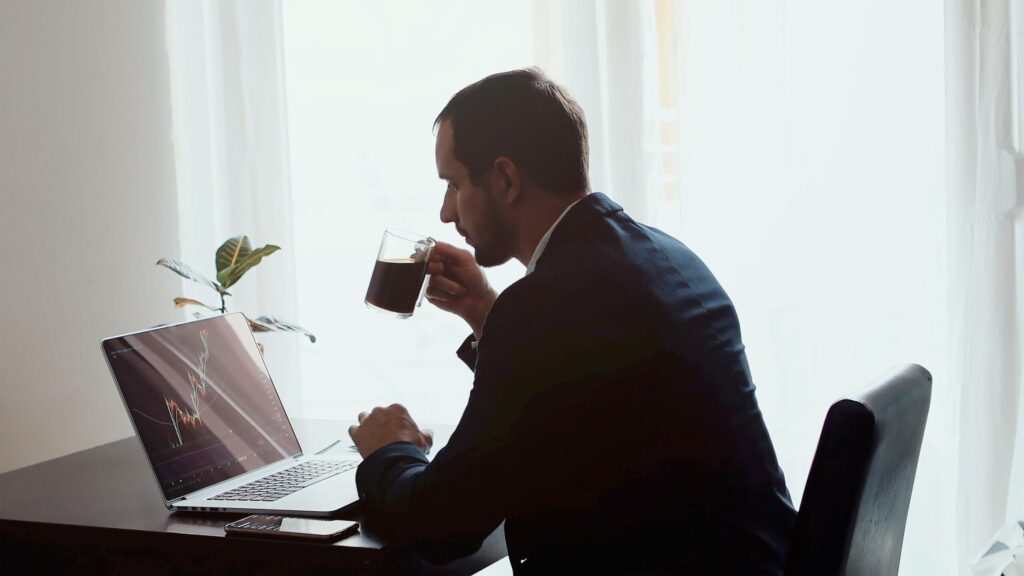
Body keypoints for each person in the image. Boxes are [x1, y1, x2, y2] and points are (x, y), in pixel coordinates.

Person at [348, 68, 796, 575]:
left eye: (453, 184)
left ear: (507, 179)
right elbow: (578, 397)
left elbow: (441, 525)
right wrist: (483, 309)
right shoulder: (665, 256)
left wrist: (389, 450)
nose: (446, 212)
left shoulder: (546, 307)